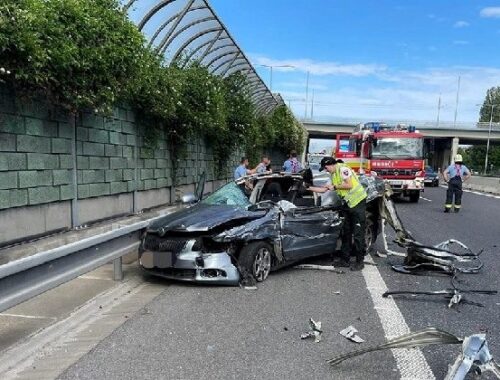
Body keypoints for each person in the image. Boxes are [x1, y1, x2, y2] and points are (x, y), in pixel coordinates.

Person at [306, 157, 368, 271]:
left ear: (331, 164)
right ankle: (345, 260)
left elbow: (349, 185)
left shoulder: (343, 169)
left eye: (325, 168)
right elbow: (324, 189)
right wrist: (308, 188)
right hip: (348, 204)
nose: (326, 170)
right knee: (346, 232)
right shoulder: (333, 174)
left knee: (358, 233)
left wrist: (334, 187)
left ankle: (360, 261)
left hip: (358, 202)